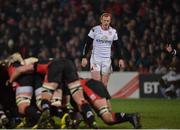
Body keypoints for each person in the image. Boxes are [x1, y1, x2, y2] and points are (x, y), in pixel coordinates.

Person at [70, 78, 141, 129]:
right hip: (98, 84)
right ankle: (130, 116)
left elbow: (80, 109)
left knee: (106, 117)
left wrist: (75, 123)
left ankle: (93, 123)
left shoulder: (71, 88)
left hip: (88, 87)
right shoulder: (77, 80)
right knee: (108, 117)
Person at [81, 12, 125, 88]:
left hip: (107, 60)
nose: (106, 22)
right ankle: (96, 99)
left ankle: (105, 99)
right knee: (96, 83)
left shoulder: (113, 32)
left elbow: (117, 46)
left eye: (108, 21)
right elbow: (87, 44)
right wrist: (84, 57)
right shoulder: (94, 30)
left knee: (104, 84)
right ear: (101, 20)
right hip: (95, 59)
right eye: (104, 20)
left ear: (110, 21)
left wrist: (120, 58)